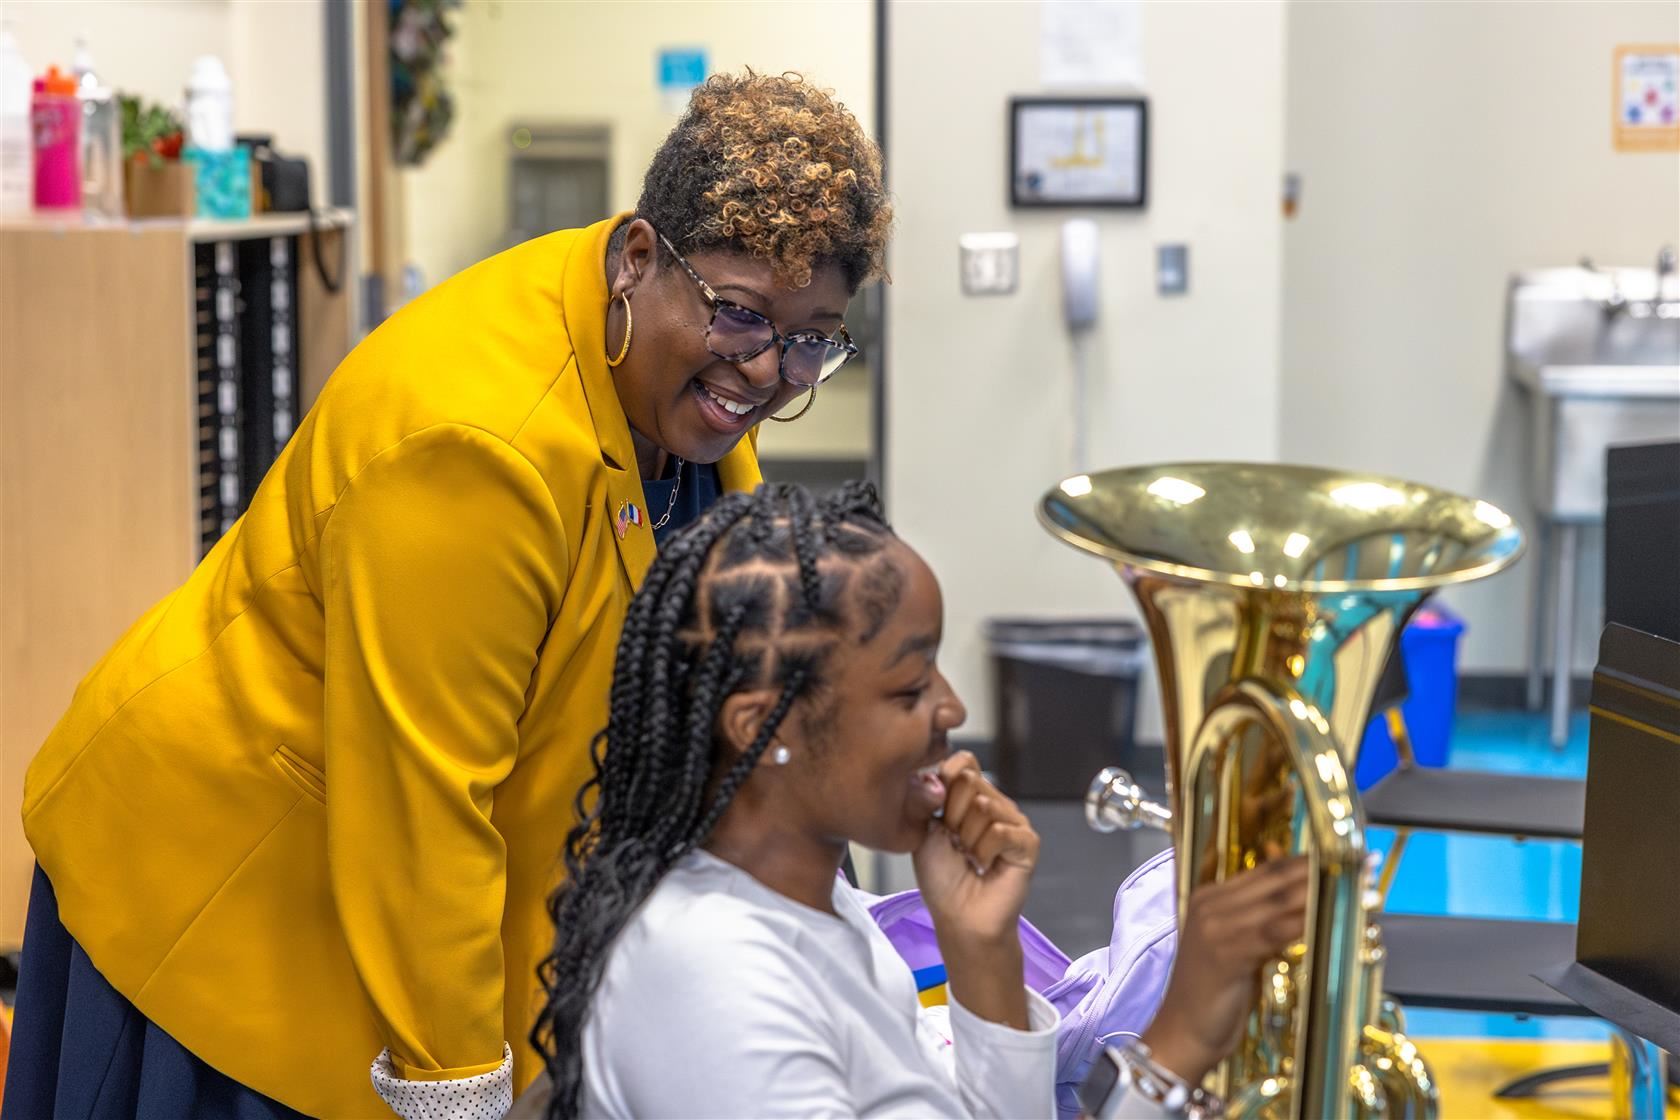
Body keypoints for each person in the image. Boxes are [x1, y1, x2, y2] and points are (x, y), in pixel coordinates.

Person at [7, 72, 890, 1119]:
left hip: (412, 899)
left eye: (812, 339)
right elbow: (423, 801)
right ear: (641, 256)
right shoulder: (478, 448)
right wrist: (460, 1092)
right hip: (219, 884)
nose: (771, 373)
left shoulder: (668, 385)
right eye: (742, 316)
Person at [523, 483, 1312, 1120]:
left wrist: (981, 947)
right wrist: (1172, 1050)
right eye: (910, 686)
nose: (954, 708)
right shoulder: (712, 975)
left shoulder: (820, 902)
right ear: (766, 728)